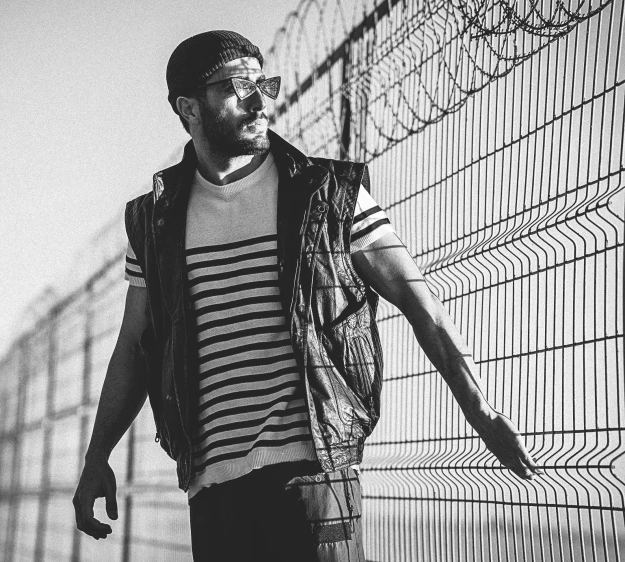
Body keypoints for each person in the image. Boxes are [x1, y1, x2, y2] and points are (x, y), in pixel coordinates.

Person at [72, 30, 542, 561]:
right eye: (235, 87)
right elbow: (136, 345)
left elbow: (422, 306)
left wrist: (481, 413)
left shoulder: (327, 196)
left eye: (263, 84)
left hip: (316, 472)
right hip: (212, 484)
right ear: (188, 107)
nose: (258, 100)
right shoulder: (156, 222)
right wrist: (96, 457)